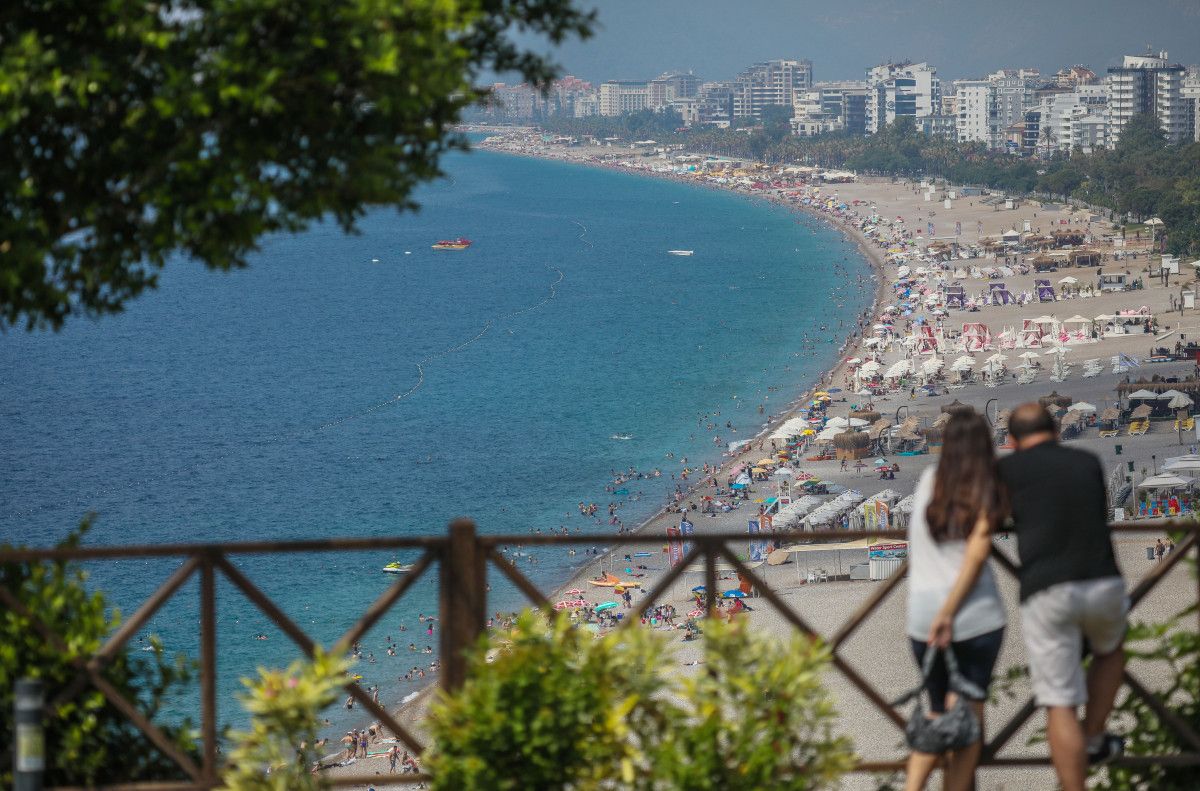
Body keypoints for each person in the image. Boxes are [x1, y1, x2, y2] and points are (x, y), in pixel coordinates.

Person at [999, 403, 1126, 790]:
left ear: (1011, 441)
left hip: (1048, 587)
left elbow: (992, 516)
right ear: (1056, 431)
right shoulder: (1087, 461)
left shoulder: (1007, 470)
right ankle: (1094, 736)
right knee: (1110, 652)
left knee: (1059, 702)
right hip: (1103, 579)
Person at [904, 411, 1007, 791]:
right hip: (973, 616)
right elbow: (977, 554)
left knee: (935, 718)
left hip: (920, 613)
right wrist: (949, 613)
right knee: (966, 727)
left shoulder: (929, 481)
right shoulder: (983, 486)